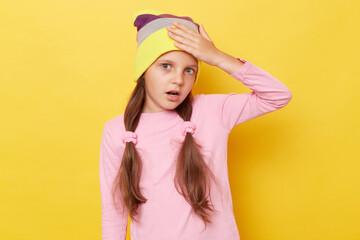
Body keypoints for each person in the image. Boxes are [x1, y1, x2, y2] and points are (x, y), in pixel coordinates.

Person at [99, 9, 292, 240]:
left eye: (189, 70)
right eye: (166, 66)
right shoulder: (116, 131)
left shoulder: (212, 111)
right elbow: (114, 213)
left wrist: (217, 57)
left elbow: (278, 95)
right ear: (143, 69)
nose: (178, 80)